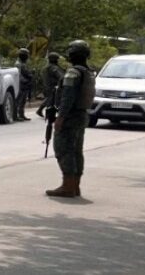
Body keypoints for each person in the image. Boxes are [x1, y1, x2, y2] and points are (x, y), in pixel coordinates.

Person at [46, 40, 95, 198]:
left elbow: (68, 97)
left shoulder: (73, 72)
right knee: (76, 151)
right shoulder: (88, 72)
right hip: (81, 115)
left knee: (64, 149)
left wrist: (60, 118)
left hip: (71, 116)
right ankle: (75, 186)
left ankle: (68, 186)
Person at [37, 52, 65, 118]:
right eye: (57, 59)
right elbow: (61, 77)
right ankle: (51, 115)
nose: (58, 60)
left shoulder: (47, 67)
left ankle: (41, 111)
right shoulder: (53, 68)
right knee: (52, 100)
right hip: (53, 87)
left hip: (47, 86)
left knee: (49, 99)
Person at [15, 48, 34, 121]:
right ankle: (16, 115)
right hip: (21, 85)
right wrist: (26, 81)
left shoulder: (23, 64)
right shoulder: (18, 64)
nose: (27, 57)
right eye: (26, 56)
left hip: (25, 85)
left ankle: (21, 114)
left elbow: (26, 72)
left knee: (23, 101)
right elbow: (19, 75)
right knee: (19, 100)